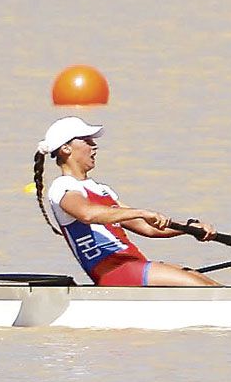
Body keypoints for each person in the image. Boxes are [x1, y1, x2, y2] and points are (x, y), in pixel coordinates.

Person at [33, 116, 220, 287]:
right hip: (114, 272)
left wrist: (190, 228)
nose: (94, 146)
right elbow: (87, 214)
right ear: (66, 149)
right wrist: (141, 211)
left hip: (134, 265)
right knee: (204, 288)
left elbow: (149, 228)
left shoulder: (102, 190)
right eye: (87, 140)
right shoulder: (62, 186)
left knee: (206, 283)